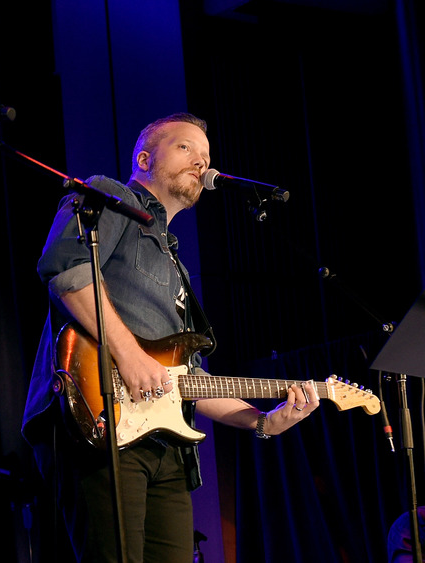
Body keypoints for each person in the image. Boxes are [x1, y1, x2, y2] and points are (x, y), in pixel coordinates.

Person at [21, 112, 321, 562]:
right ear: (144, 157)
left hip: (165, 444)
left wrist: (261, 422)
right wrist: (129, 355)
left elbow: (189, 379)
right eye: (185, 148)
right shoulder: (110, 195)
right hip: (96, 417)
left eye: (206, 156)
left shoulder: (175, 263)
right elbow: (67, 267)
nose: (201, 162)